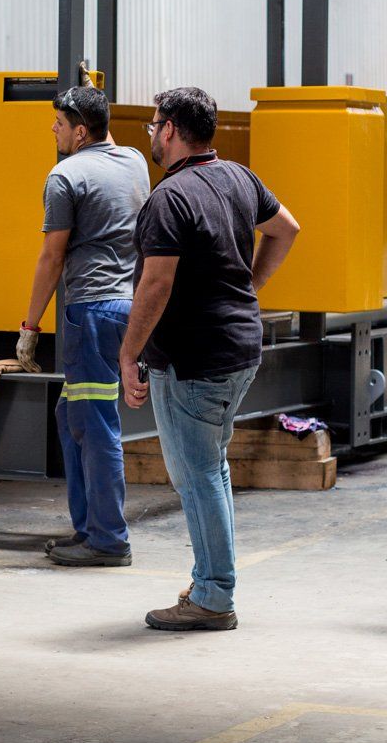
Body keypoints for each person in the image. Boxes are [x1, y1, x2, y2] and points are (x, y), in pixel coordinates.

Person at [117, 86, 298, 632]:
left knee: (198, 477)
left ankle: (214, 596)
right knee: (210, 468)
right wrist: (250, 285)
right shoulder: (238, 176)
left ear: (170, 129)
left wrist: (129, 355)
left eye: (153, 125)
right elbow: (286, 229)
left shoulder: (168, 199)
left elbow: (156, 284)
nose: (151, 134)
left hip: (196, 358)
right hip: (240, 346)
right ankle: (209, 580)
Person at [17, 85, 151, 569]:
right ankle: (87, 528)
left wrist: (30, 326)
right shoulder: (135, 160)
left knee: (96, 426)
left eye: (58, 123)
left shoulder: (65, 175)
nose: (52, 130)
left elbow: (52, 257)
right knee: (71, 416)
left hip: (90, 312)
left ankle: (108, 539)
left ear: (80, 129)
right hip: (129, 309)